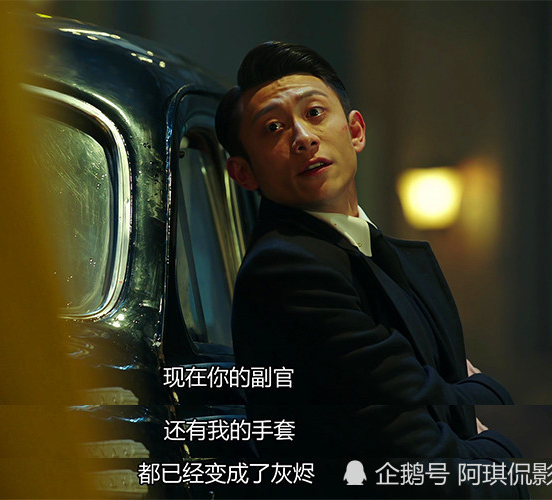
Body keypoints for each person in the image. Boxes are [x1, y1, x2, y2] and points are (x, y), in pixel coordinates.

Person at [215, 41, 527, 498]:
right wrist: (502, 447)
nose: (303, 137)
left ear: (356, 131)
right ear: (244, 173)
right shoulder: (289, 270)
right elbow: (422, 464)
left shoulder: (371, 252)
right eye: (274, 128)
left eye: (315, 113)